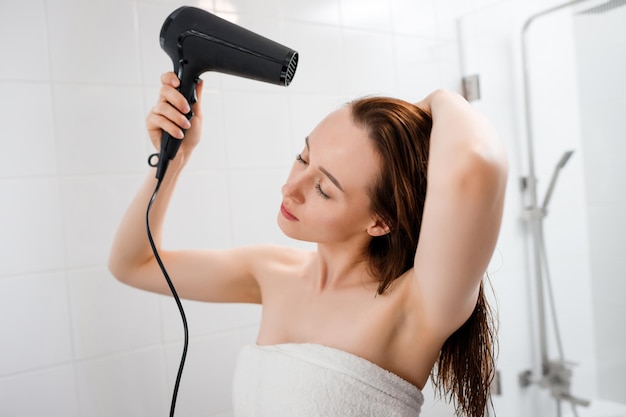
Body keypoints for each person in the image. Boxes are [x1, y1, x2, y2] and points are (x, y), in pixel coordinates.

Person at [109, 72, 508, 417]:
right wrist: (175, 156)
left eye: (323, 188)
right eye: (302, 158)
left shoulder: (417, 306)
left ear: (380, 221)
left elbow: (476, 164)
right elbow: (133, 264)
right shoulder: (271, 272)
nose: (290, 188)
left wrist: (436, 100)